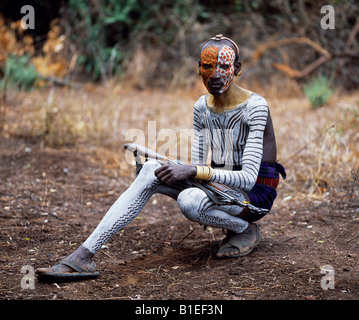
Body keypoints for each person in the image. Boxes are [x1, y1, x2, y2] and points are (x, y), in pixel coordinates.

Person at [36, 34, 286, 282]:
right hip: (221, 188)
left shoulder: (255, 107)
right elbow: (197, 165)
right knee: (150, 169)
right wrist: (183, 168)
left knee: (190, 200)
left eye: (224, 66)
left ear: (237, 69)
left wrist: (192, 172)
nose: (215, 74)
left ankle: (244, 228)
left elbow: (246, 179)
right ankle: (82, 257)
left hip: (252, 198)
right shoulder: (201, 107)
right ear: (199, 68)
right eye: (208, 66)